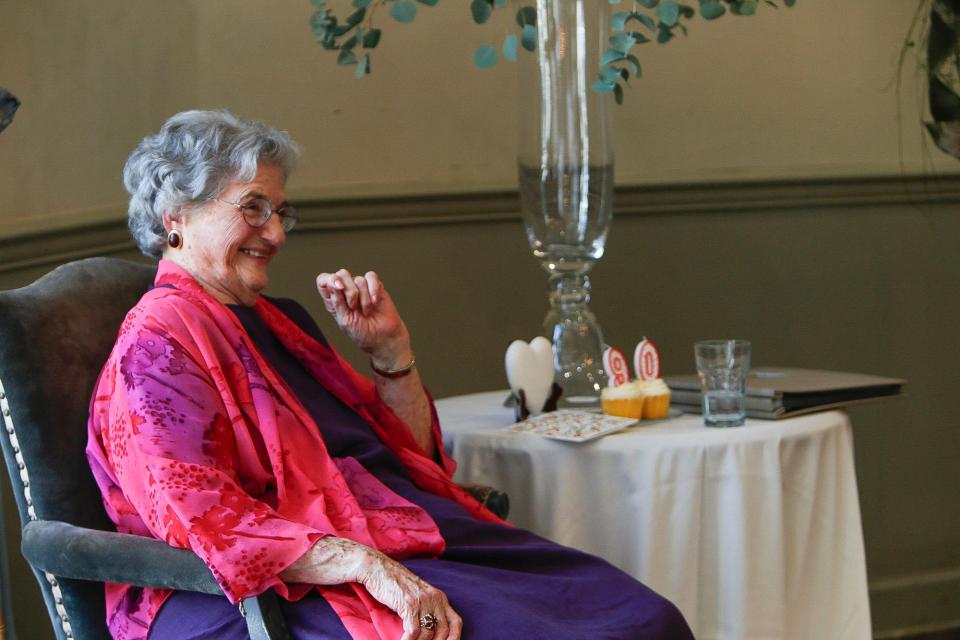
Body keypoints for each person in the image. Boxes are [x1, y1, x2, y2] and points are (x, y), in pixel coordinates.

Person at [86, 110, 694, 640]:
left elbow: (410, 460)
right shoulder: (156, 345)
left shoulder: (280, 321)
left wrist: (389, 353)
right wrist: (367, 566)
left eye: (280, 212)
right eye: (252, 208)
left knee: (641, 617)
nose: (274, 233)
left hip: (398, 536)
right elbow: (198, 515)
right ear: (177, 216)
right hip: (253, 591)